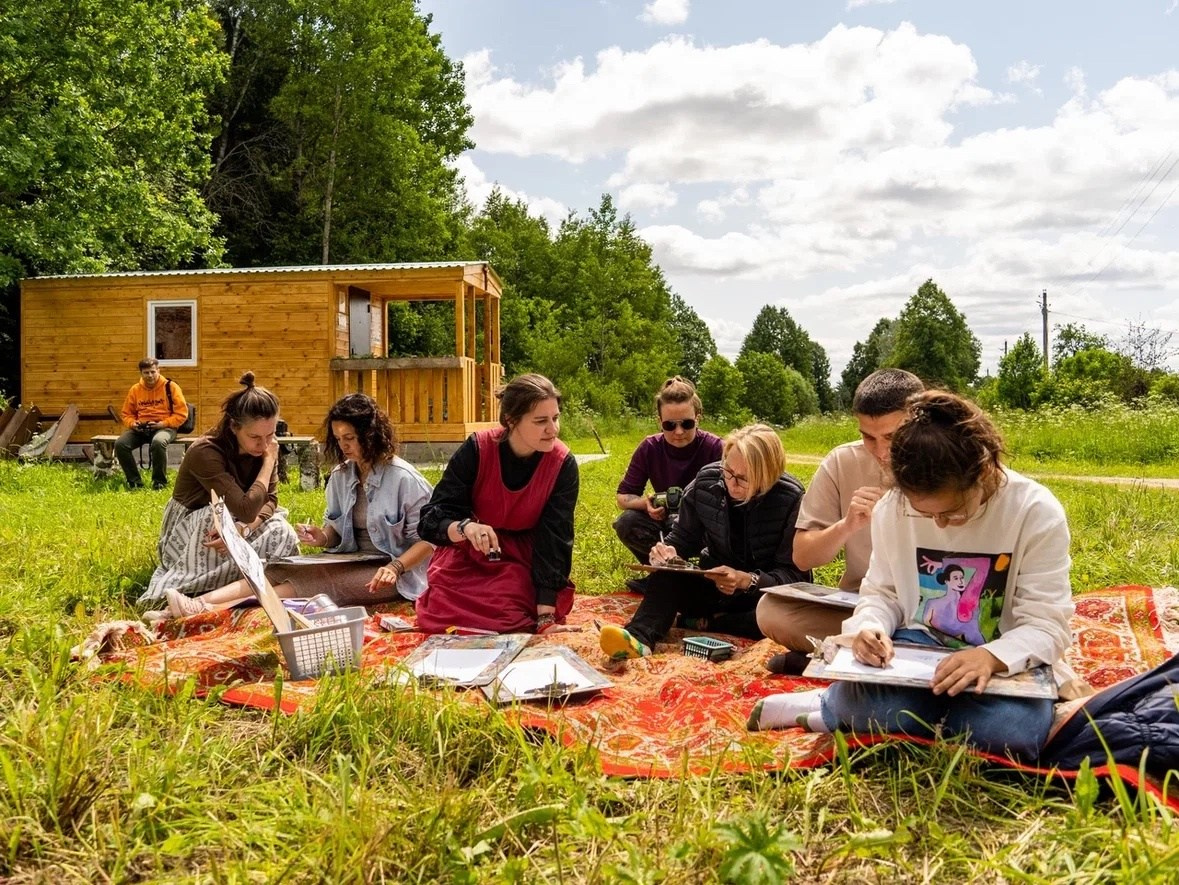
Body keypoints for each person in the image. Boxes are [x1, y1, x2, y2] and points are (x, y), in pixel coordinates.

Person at [748, 391, 1075, 764]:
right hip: (916, 647)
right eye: (925, 514)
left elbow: (1048, 625)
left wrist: (990, 656)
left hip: (1002, 657)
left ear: (983, 474)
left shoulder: (1035, 511)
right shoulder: (894, 507)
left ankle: (843, 711)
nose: (938, 524)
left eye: (951, 513)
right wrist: (870, 627)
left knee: (1006, 734)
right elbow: (881, 592)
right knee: (888, 709)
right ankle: (835, 705)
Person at [156, 393, 434, 618]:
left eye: (349, 438)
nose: (344, 446)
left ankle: (209, 610)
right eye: (338, 439)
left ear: (371, 435)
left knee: (319, 585)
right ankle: (190, 604)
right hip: (351, 559)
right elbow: (336, 532)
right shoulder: (341, 476)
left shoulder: (405, 480)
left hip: (394, 571)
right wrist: (322, 536)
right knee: (278, 567)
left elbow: (430, 540)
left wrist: (396, 567)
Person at [756, 369, 923, 674]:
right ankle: (864, 653)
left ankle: (831, 657)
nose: (882, 451)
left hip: (929, 608)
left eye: (891, 436)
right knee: (771, 610)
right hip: (861, 606)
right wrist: (847, 525)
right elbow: (803, 556)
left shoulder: (942, 465)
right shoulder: (842, 461)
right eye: (868, 437)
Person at [599, 424, 810, 659]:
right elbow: (682, 538)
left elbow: (795, 578)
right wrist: (667, 552)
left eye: (742, 478)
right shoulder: (707, 481)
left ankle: (710, 623)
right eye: (727, 471)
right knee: (668, 572)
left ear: (768, 475)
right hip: (713, 585)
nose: (731, 483)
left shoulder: (791, 499)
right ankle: (638, 638)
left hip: (760, 596)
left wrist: (745, 580)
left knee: (782, 619)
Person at [414, 373, 578, 634]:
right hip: (473, 549)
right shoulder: (478, 449)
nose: (553, 429)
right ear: (511, 420)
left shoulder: (562, 464)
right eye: (540, 421)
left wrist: (546, 616)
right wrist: (466, 527)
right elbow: (432, 518)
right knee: (438, 613)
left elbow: (556, 536)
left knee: (508, 609)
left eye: (555, 418)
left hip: (525, 555)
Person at [139, 372, 299, 604]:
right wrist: (268, 463)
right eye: (254, 436)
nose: (264, 444)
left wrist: (242, 530)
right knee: (214, 517)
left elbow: (270, 501)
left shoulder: (264, 448)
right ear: (234, 427)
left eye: (270, 435)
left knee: (282, 529)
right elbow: (244, 508)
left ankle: (234, 587)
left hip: (239, 522)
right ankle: (193, 591)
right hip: (193, 527)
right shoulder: (205, 452)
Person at [614, 376, 724, 593]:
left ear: (698, 418)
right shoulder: (649, 448)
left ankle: (694, 581)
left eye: (687, 423)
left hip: (706, 527)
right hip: (665, 525)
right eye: (669, 425)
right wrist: (646, 505)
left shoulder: (716, 448)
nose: (679, 432)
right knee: (626, 522)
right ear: (659, 421)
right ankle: (663, 576)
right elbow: (624, 497)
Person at [115, 357, 190, 490]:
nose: (150, 375)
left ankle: (159, 482)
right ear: (141, 373)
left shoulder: (171, 387)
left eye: (152, 372)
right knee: (120, 444)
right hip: (142, 428)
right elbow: (126, 414)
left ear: (158, 371)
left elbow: (182, 414)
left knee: (158, 442)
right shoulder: (135, 390)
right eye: (146, 373)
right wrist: (133, 424)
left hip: (166, 427)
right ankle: (134, 482)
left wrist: (163, 424)